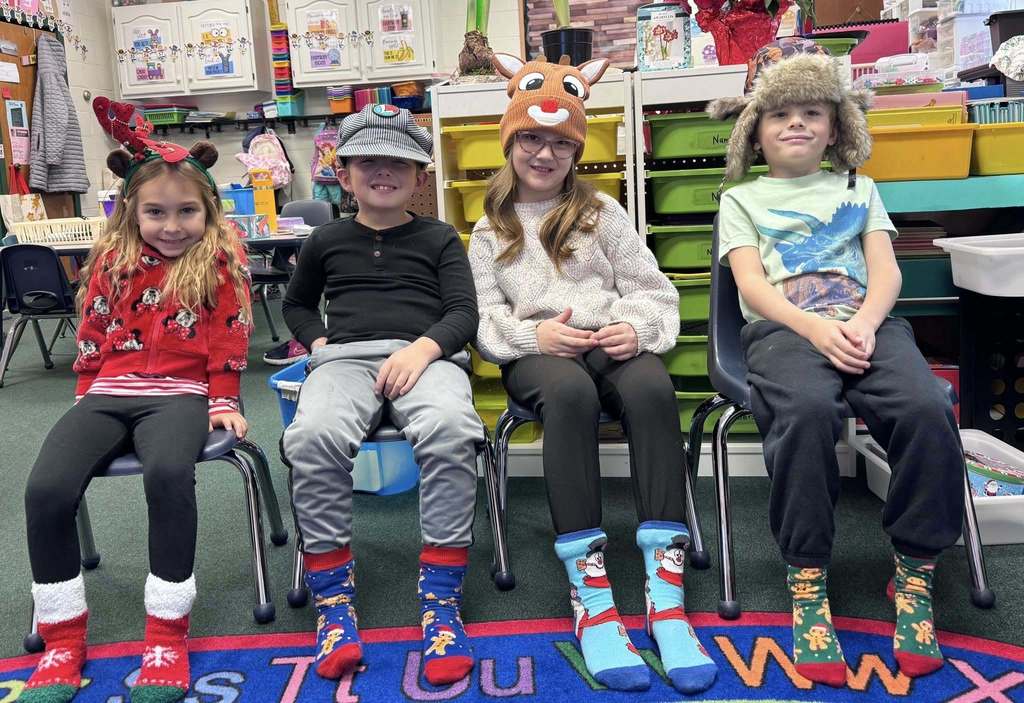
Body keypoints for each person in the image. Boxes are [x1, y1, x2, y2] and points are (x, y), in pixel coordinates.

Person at [708, 42, 964, 685]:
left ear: (837, 127)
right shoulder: (742, 199)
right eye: (780, 115)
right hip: (784, 332)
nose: (797, 124)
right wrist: (816, 329)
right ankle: (807, 578)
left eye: (813, 113)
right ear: (755, 133)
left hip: (867, 325)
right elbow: (751, 288)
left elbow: (886, 270)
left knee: (927, 407)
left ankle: (914, 572)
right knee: (806, 410)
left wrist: (864, 325)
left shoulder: (861, 187)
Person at [468, 53, 718, 695]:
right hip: (538, 355)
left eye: (560, 142)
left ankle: (665, 596)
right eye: (531, 138)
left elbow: (653, 291)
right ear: (510, 141)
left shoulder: (600, 210)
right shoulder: (487, 226)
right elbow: (482, 320)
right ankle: (593, 598)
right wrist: (535, 334)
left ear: (577, 148)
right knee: (571, 394)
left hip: (606, 337)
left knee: (651, 384)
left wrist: (635, 327)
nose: (544, 154)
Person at [21, 97, 251, 703]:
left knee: (169, 475)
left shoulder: (220, 262)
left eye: (185, 212)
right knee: (45, 490)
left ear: (208, 211)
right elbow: (92, 331)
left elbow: (230, 334)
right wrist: (83, 394)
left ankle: (165, 635)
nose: (171, 226)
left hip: (180, 395)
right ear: (131, 211)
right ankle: (63, 639)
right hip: (108, 393)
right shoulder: (112, 261)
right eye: (155, 212)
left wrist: (222, 397)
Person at [279, 104, 484, 686]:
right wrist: (318, 344)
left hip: (427, 355)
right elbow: (295, 304)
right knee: (312, 435)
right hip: (343, 361)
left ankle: (441, 603)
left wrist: (423, 349)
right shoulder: (325, 239)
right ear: (343, 174)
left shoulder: (440, 236)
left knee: (451, 429)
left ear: (420, 177)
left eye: (399, 162)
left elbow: (463, 313)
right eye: (369, 161)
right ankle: (333, 605)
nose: (384, 172)